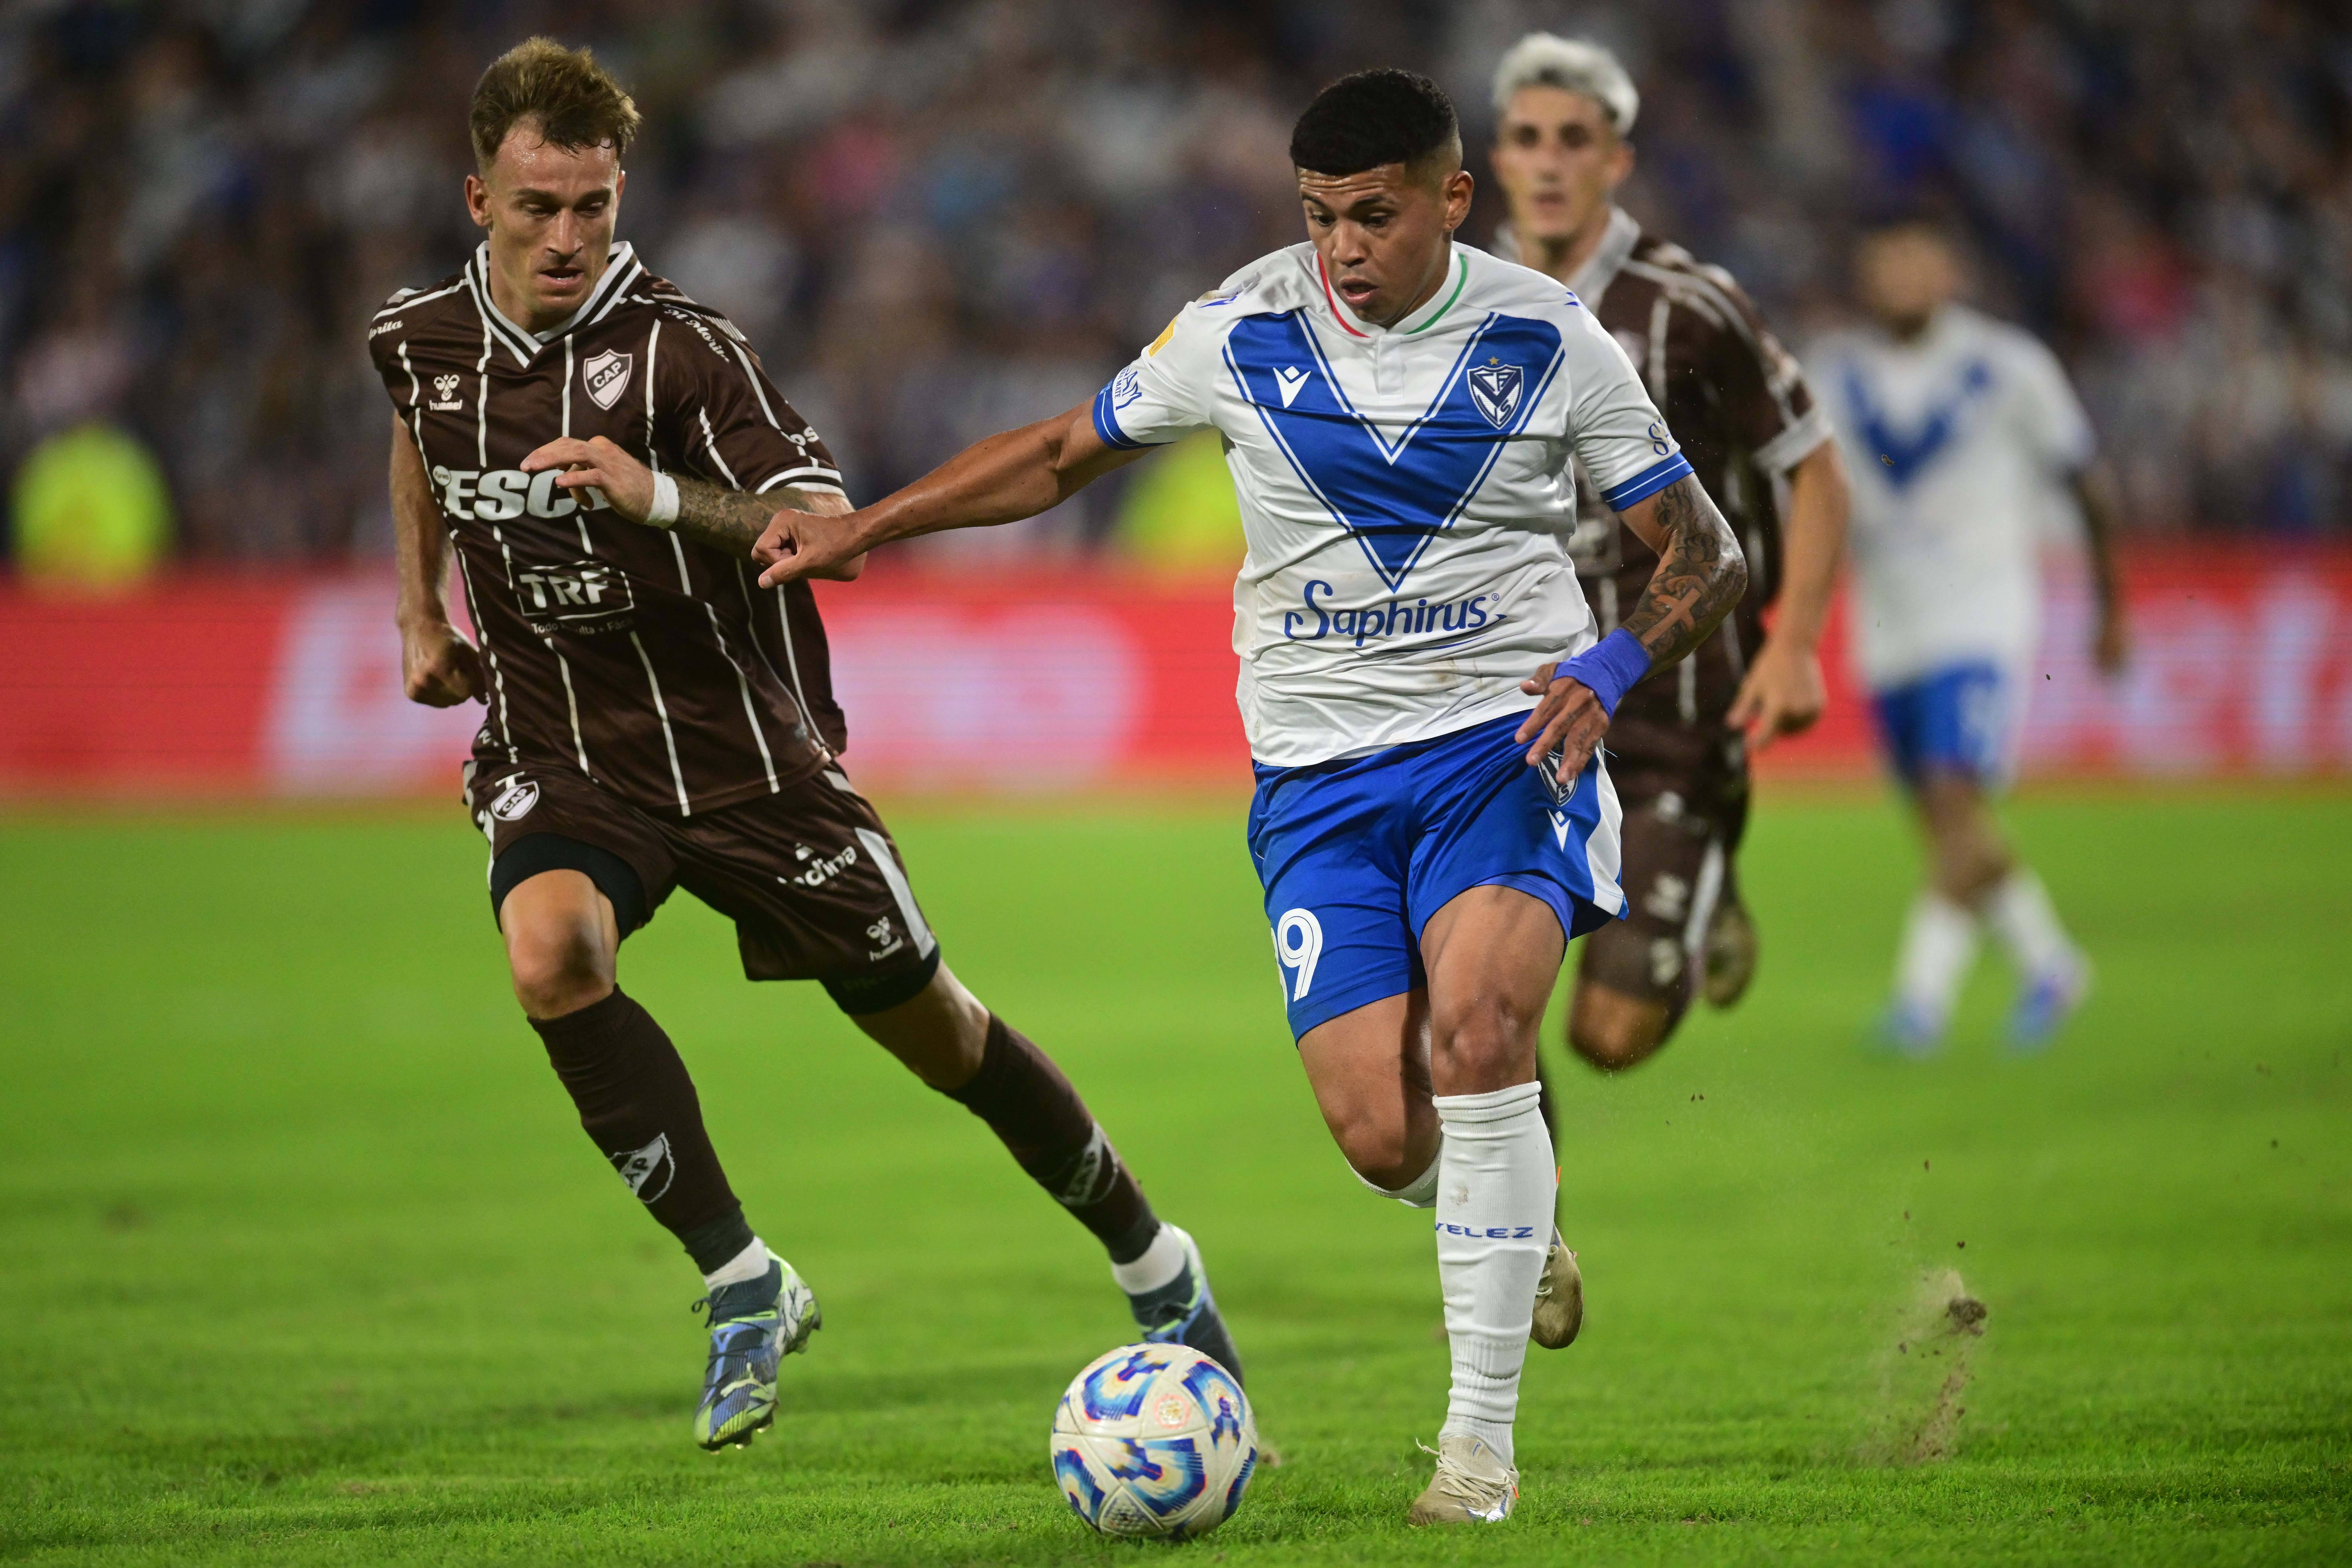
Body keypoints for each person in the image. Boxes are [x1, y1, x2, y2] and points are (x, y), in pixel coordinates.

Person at [754, 69, 1748, 1526]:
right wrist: (872, 524)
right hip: (1316, 784)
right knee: (1382, 1135)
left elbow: (1705, 555)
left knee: (1481, 1035)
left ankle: (1476, 1454)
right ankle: (1517, 1234)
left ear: (1451, 201)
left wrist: (1606, 664)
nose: (1343, 246)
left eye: (1376, 215)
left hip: (1506, 747)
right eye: (1322, 216)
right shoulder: (1240, 327)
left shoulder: (1548, 339)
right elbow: (1057, 452)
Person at [367, 37, 1242, 1454]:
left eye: (594, 205)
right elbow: (419, 426)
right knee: (552, 956)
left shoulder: (687, 349)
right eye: (539, 207)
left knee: (941, 1032)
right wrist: (417, 607)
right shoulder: (417, 336)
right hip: (563, 740)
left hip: (747, 758)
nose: (570, 237)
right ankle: (740, 1274)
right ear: (480, 200)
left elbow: (817, 526)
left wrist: (659, 496)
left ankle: (1153, 1257)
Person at [1486, 34, 1852, 1074]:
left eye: (1575, 140)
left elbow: (1816, 468)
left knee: (1608, 1037)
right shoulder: (1459, 306)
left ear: (1617, 162)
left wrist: (1797, 646)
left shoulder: (1690, 307)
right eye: (1528, 140)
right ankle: (1527, 1235)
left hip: (1673, 712)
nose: (1550, 161)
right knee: (1474, 1000)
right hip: (1518, 704)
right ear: (1495, 163)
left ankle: (1708, 871)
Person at [1807, 220, 2129, 1053]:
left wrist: (2113, 606)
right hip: (1889, 623)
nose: (1905, 272)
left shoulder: (2010, 365)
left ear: (1953, 267)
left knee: (1955, 796)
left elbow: (2083, 481)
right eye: (1889, 256)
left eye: (1922, 254)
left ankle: (1920, 1003)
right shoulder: (1833, 373)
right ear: (1866, 269)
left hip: (1983, 614)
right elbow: (1812, 496)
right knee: (1947, 825)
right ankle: (2053, 965)